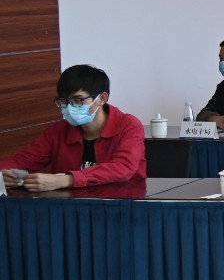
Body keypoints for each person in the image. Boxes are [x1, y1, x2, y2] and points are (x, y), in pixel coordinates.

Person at [1, 65, 146, 192]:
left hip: (122, 204)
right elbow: (23, 160)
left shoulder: (128, 125)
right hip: (71, 206)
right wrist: (4, 173)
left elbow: (123, 167)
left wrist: (66, 179)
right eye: (64, 101)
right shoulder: (58, 131)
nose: (69, 108)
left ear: (102, 99)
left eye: (78, 100)